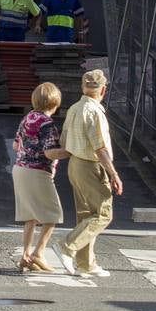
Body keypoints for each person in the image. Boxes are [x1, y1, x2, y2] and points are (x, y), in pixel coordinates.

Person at [53, 69, 122, 278]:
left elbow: (64, 139)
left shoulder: (74, 108)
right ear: (103, 89)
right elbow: (100, 147)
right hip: (91, 165)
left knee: (86, 215)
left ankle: (86, 263)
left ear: (83, 87)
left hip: (74, 163)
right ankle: (67, 246)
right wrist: (114, 174)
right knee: (102, 214)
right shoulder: (94, 111)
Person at [12, 82, 69, 272]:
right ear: (56, 102)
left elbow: (15, 145)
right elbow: (50, 153)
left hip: (20, 169)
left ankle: (25, 256)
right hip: (38, 171)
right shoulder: (47, 124)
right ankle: (38, 253)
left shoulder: (27, 117)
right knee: (52, 214)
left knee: (31, 216)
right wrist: (71, 151)